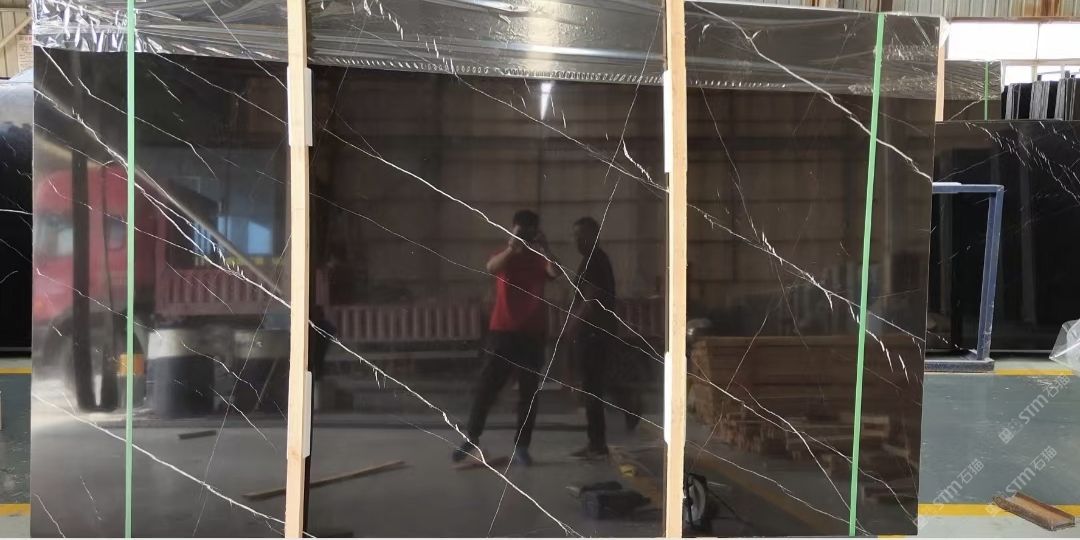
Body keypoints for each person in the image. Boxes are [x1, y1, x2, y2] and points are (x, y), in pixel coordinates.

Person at [453, 210, 556, 466]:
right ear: (512, 229)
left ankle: (522, 446)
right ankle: (472, 438)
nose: (525, 235)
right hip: (503, 332)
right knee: (487, 387)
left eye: (529, 230)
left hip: (532, 334)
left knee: (528, 393)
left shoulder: (539, 259)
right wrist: (513, 246)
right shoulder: (504, 255)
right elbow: (491, 267)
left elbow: (556, 272)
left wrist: (545, 247)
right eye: (520, 229)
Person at [566, 216, 617, 459]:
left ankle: (597, 444)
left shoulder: (595, 261)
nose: (577, 240)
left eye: (582, 235)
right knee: (592, 387)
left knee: (592, 388)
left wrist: (572, 325)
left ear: (594, 235)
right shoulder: (591, 260)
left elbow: (591, 299)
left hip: (594, 333)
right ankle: (595, 442)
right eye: (575, 235)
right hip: (594, 332)